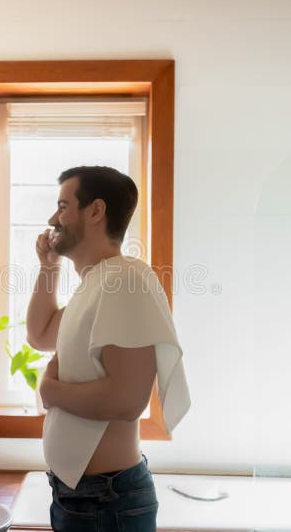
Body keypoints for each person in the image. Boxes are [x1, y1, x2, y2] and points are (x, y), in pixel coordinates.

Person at [26, 166, 190, 532]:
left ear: (95, 211)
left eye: (63, 206)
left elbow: (128, 400)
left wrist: (51, 391)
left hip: (105, 501)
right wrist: (47, 268)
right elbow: (40, 335)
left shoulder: (125, 280)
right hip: (84, 497)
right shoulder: (97, 283)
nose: (53, 218)